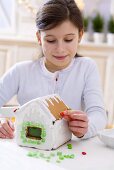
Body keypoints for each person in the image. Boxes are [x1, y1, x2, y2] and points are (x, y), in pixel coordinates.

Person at [0, 0, 107, 139]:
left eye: (68, 39)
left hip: (71, 152)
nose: (60, 49)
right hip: (28, 150)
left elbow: (98, 113)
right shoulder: (20, 71)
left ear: (80, 35)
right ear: (39, 38)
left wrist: (86, 128)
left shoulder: (86, 68)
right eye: (51, 40)